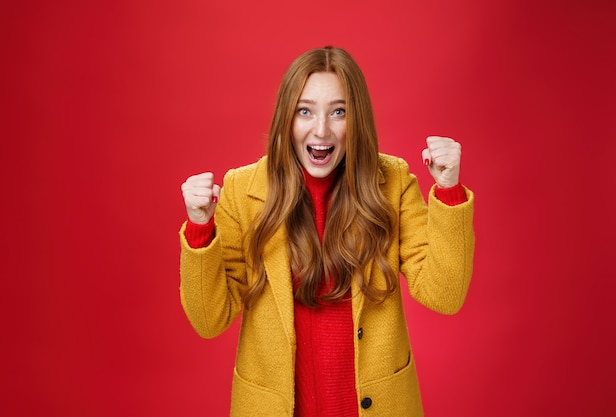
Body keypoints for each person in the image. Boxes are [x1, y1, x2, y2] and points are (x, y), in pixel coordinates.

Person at [179, 46, 475, 417]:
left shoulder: (392, 182)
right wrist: (200, 228)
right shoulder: (242, 191)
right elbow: (209, 319)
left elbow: (444, 294)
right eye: (305, 111)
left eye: (339, 112)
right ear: (287, 117)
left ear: (357, 120)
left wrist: (448, 190)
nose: (321, 129)